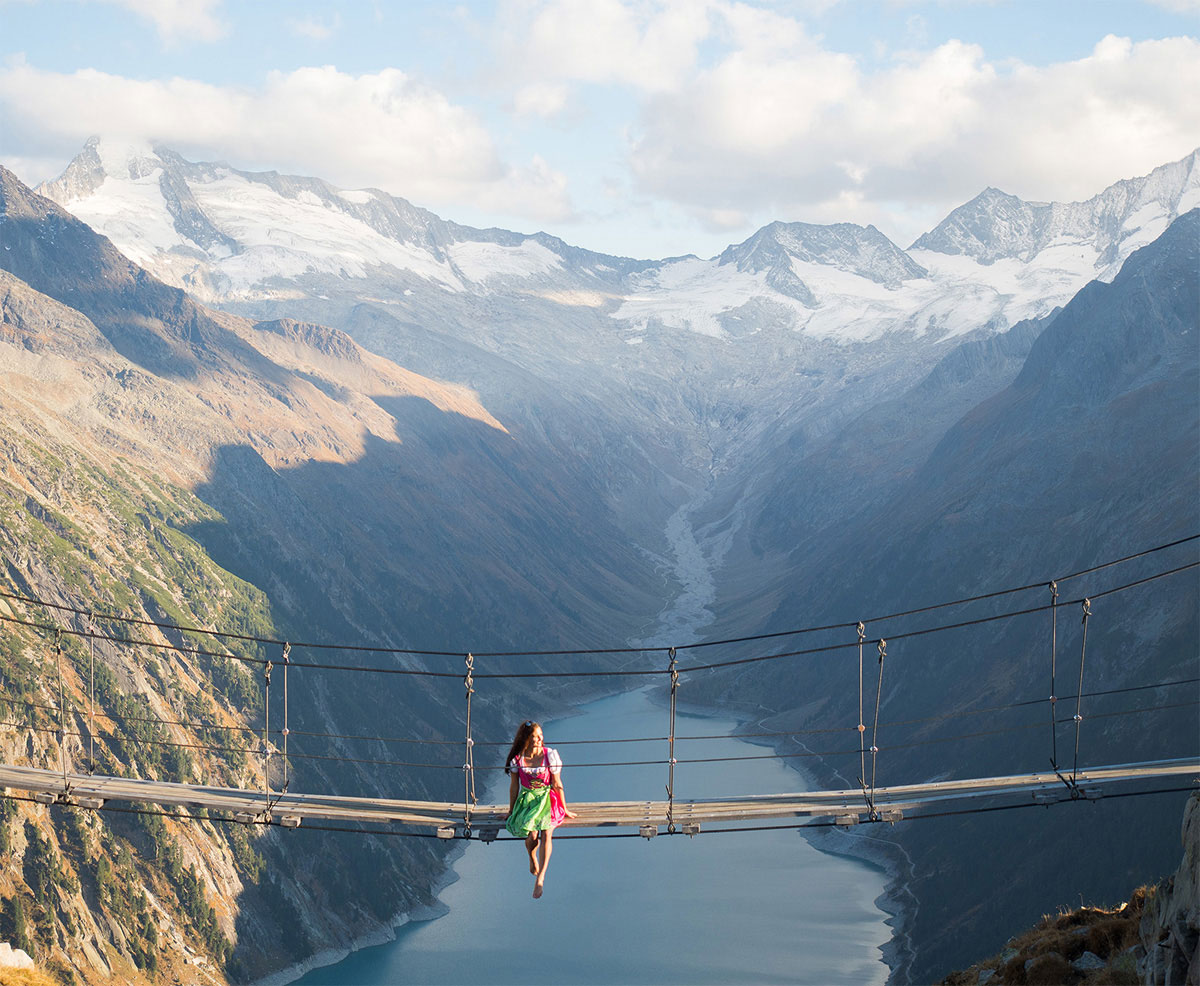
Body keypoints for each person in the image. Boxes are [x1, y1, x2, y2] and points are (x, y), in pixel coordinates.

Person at [503, 720, 577, 898]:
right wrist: (511, 811)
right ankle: (532, 855)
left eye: (540, 736)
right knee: (532, 835)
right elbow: (514, 787)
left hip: (547, 799)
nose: (539, 739)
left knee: (546, 832)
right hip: (528, 799)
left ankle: (541, 878)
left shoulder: (549, 755)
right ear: (525, 739)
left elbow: (557, 783)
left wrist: (564, 808)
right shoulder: (517, 759)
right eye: (534, 737)